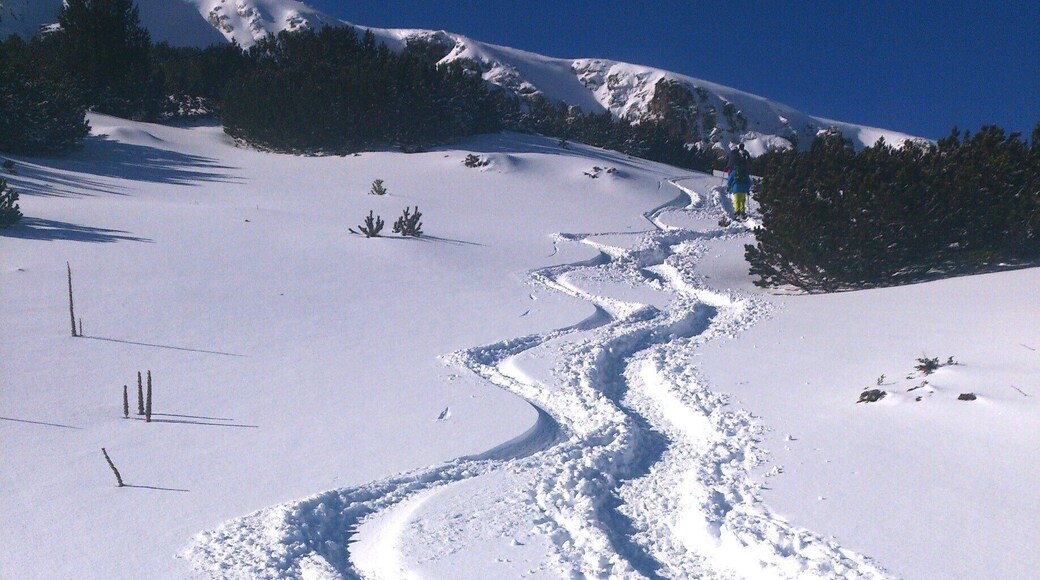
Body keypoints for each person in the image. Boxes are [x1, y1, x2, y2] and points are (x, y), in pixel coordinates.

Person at [727, 143, 752, 219]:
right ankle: (742, 211)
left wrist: (729, 186)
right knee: (742, 201)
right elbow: (748, 181)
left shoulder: (734, 171)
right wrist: (747, 189)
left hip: (736, 187)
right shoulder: (744, 172)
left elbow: (730, 179)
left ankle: (737, 211)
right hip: (743, 188)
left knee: (736, 200)